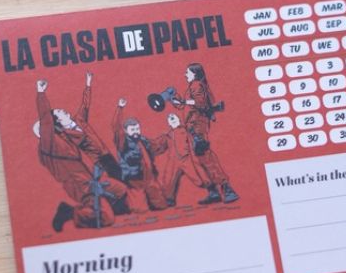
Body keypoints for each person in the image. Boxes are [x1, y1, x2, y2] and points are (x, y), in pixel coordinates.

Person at [35, 77, 131, 232]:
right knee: (106, 218)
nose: (63, 111)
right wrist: (41, 93)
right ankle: (69, 212)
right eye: (58, 114)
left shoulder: (63, 139)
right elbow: (46, 119)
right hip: (80, 185)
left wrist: (88, 84)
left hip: (93, 178)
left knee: (121, 189)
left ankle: (113, 208)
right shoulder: (49, 144)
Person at [176, 62, 239, 204]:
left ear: (194, 74)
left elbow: (200, 103)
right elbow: (191, 104)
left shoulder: (196, 85)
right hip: (194, 127)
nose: (185, 75)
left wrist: (185, 101)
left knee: (206, 158)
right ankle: (214, 192)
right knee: (200, 160)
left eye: (187, 72)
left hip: (197, 127)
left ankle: (227, 189)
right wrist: (180, 101)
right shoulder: (194, 85)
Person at [112, 98, 168, 211]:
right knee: (139, 209)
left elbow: (156, 146)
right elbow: (116, 128)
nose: (136, 131)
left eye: (137, 128)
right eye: (132, 129)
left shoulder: (143, 140)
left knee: (161, 205)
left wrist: (168, 136)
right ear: (126, 131)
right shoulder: (122, 142)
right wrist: (120, 108)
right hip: (135, 179)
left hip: (150, 176)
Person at [152, 113, 213, 206]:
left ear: (179, 120)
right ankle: (169, 199)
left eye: (174, 117)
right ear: (169, 123)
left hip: (187, 158)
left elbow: (195, 139)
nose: (171, 118)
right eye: (170, 118)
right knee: (168, 178)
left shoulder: (186, 130)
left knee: (198, 174)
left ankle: (213, 191)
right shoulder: (168, 135)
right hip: (173, 161)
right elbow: (158, 145)